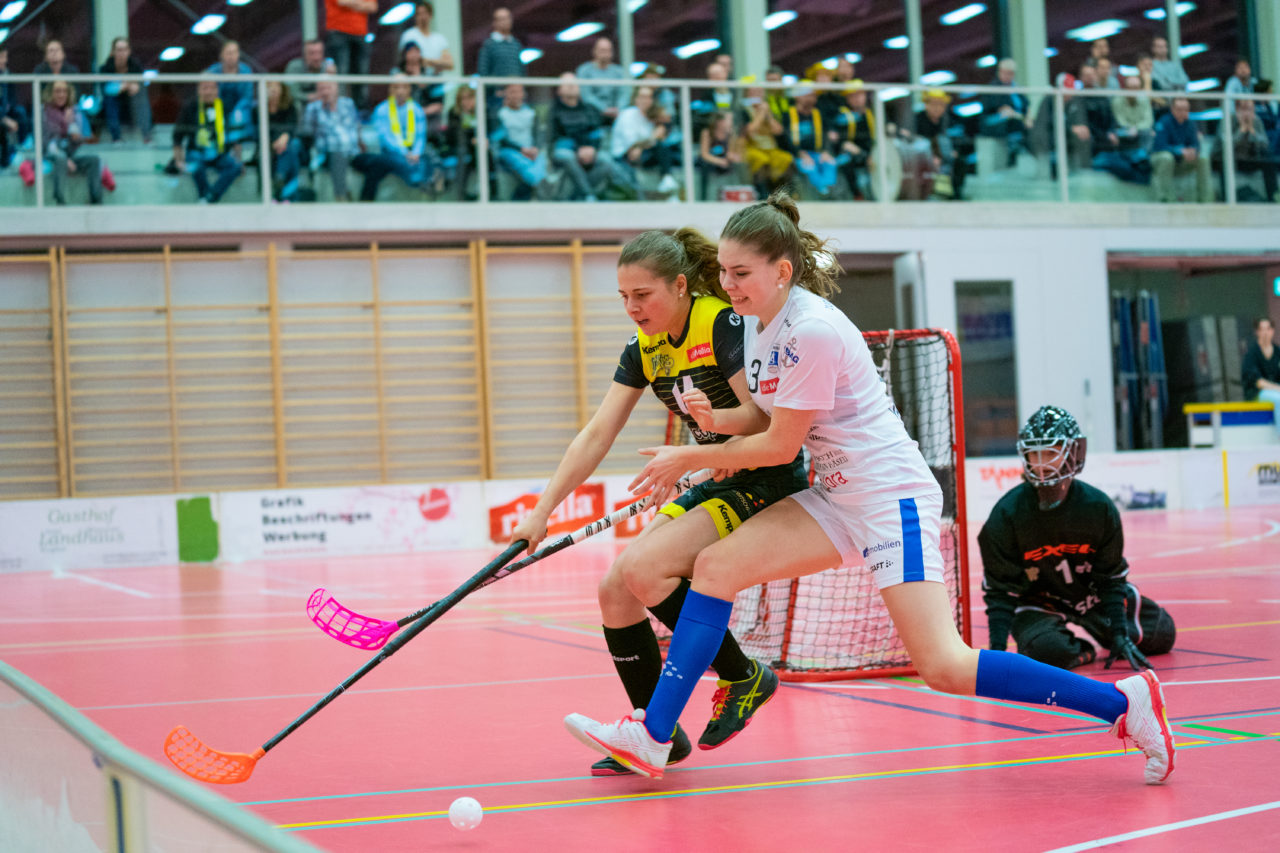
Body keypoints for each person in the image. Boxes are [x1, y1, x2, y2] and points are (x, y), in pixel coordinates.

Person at [564, 192, 1176, 788]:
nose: (728, 285)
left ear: (783, 270)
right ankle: (653, 732)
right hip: (835, 495)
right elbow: (765, 420)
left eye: (741, 273)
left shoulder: (812, 331)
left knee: (944, 665)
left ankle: (1121, 703)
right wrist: (717, 421)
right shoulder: (756, 322)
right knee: (714, 566)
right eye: (723, 271)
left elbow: (779, 448)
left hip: (889, 500)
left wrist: (691, 456)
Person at [510, 227, 807, 776]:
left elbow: (763, 421)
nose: (632, 307)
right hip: (718, 475)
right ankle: (656, 736)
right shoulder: (643, 349)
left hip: (766, 477)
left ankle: (742, 677)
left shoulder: (722, 323)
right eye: (623, 297)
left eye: (642, 295)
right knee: (614, 591)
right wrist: (542, 509)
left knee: (647, 571)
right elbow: (598, 432)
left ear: (678, 286)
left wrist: (700, 445)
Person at [980, 406, 1177, 671]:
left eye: (1050, 452)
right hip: (1037, 603)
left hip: (1091, 597)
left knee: (1161, 634)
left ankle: (1106, 634)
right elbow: (1000, 591)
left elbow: (1110, 577)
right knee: (1049, 653)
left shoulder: (1098, 507)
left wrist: (1120, 633)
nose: (1042, 463)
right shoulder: (1005, 514)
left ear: (1074, 453)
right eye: (1034, 454)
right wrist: (998, 653)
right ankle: (1084, 650)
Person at [549, 73, 627, 201]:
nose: (571, 87)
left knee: (606, 159)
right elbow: (556, 137)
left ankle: (580, 194)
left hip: (589, 150)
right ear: (559, 90)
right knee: (567, 156)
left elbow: (596, 131)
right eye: (567, 84)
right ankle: (588, 195)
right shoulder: (554, 111)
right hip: (567, 151)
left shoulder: (589, 109)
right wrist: (578, 149)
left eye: (574, 84)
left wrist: (592, 148)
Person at [363, 74, 441, 200]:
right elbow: (386, 138)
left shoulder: (416, 109)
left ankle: (424, 180)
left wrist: (416, 153)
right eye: (396, 87)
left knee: (428, 155)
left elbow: (420, 135)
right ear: (390, 89)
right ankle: (421, 180)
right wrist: (404, 153)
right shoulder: (382, 110)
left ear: (409, 89)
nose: (400, 91)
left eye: (404, 87)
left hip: (413, 152)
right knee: (398, 161)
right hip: (391, 152)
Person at [173, 79, 243, 204]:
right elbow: (177, 136)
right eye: (205, 88)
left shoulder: (225, 107)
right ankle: (208, 196)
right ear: (198, 90)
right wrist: (178, 160)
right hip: (196, 151)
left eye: (212, 88)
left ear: (217, 90)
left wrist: (239, 158)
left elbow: (234, 136)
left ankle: (209, 197)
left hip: (220, 153)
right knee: (195, 166)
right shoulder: (190, 107)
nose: (208, 92)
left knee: (235, 167)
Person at [42, 80, 103, 205]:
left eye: (64, 91)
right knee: (61, 158)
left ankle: (96, 200)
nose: (61, 95)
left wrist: (77, 136)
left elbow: (80, 139)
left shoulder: (75, 111)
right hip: (51, 155)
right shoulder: (45, 112)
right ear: (51, 93)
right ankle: (59, 200)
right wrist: (66, 122)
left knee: (94, 160)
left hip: (70, 154)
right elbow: (47, 142)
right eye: (58, 91)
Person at [301, 79, 363, 202]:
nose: (325, 92)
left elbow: (356, 127)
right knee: (337, 152)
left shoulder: (348, 104)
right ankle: (341, 196)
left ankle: (366, 202)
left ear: (336, 89)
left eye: (328, 88)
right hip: (326, 152)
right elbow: (307, 133)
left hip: (352, 151)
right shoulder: (313, 108)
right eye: (321, 89)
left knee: (377, 163)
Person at [779, 83, 837, 198]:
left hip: (818, 153)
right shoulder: (788, 115)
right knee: (808, 166)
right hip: (798, 154)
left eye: (813, 96)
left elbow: (827, 134)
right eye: (808, 95)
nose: (812, 99)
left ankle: (828, 193)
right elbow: (785, 139)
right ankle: (820, 193)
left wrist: (825, 151)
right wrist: (799, 153)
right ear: (798, 97)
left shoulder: (818, 114)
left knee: (830, 163)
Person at [490, 83, 546, 201]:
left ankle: (520, 197)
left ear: (523, 94)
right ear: (505, 94)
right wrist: (521, 150)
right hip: (510, 152)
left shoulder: (531, 112)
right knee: (532, 174)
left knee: (542, 158)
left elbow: (538, 134)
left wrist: (535, 148)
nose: (516, 95)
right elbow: (500, 139)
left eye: (518, 91)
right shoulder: (499, 114)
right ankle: (540, 191)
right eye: (512, 92)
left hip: (532, 151)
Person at [738, 77, 792, 197]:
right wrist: (761, 114)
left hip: (770, 147)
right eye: (754, 92)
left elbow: (778, 130)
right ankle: (763, 193)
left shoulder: (768, 109)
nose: (758, 94)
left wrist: (768, 115)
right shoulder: (743, 110)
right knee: (761, 160)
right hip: (751, 147)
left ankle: (782, 193)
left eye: (760, 92)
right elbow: (750, 131)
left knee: (785, 158)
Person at [1151, 97, 1212, 202]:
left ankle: (1205, 199)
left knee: (1203, 159)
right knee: (1166, 157)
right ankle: (1166, 199)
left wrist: (1193, 151)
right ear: (1172, 109)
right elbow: (1159, 146)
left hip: (1182, 161)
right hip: (1161, 160)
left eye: (1185, 109)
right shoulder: (1164, 121)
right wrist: (1179, 151)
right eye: (1179, 109)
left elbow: (1196, 145)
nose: (1182, 112)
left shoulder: (1190, 124)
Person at [98, 37, 152, 144]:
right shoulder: (105, 69)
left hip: (132, 108)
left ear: (129, 51)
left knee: (140, 95)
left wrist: (132, 87)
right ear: (113, 52)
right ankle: (116, 138)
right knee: (110, 98)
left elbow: (139, 87)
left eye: (125, 49)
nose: (122, 53)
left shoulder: (136, 67)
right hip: (112, 110)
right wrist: (122, 87)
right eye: (119, 50)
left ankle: (146, 135)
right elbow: (105, 90)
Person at [324, 0, 377, 110]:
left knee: (362, 77)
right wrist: (361, 4)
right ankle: (340, 110)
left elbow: (372, 7)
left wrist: (352, 3)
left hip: (360, 32)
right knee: (341, 76)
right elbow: (342, 2)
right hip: (338, 31)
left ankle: (361, 112)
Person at [978, 58, 1031, 165]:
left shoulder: (1015, 87)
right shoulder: (994, 87)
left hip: (1017, 118)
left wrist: (1028, 118)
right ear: (1000, 71)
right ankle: (1013, 153)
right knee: (1009, 118)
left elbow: (1026, 104)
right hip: (994, 122)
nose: (1008, 76)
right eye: (1006, 73)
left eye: (1011, 73)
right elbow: (998, 108)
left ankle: (1023, 150)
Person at [831, 80, 875, 199]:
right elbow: (837, 138)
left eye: (860, 94)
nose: (857, 98)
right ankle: (857, 195)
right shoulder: (841, 115)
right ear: (847, 98)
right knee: (844, 160)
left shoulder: (874, 113)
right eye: (852, 95)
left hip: (873, 151)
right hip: (852, 152)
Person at [477, 7, 524, 108]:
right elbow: (483, 72)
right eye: (501, 19)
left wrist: (519, 91)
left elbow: (521, 70)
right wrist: (496, 90)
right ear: (495, 23)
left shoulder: (516, 44)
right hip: (496, 100)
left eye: (507, 18)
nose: (505, 22)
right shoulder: (488, 45)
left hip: (516, 99)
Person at [204, 42, 255, 134]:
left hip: (239, 107)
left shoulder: (246, 71)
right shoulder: (212, 72)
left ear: (238, 55)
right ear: (222, 55)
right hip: (217, 106)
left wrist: (237, 110)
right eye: (228, 53)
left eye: (234, 52)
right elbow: (206, 94)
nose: (231, 56)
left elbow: (247, 96)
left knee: (243, 113)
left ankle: (239, 140)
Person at [264, 80, 302, 203]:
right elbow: (257, 132)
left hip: (287, 145)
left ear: (282, 89)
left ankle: (279, 184)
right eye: (269, 86)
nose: (273, 89)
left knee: (292, 147)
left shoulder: (290, 108)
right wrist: (272, 142)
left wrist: (285, 137)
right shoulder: (259, 109)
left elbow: (294, 129)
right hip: (268, 146)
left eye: (276, 85)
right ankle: (287, 195)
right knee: (290, 152)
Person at [576, 37, 629, 123]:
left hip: (617, 114)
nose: (605, 54)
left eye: (608, 50)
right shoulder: (584, 70)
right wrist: (604, 109)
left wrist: (618, 108)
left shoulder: (619, 72)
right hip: (593, 113)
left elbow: (624, 94)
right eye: (602, 50)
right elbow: (586, 95)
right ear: (594, 51)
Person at [1242, 318, 1280, 432]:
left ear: (1272, 331)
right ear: (1257, 332)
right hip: (1257, 394)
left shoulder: (1278, 352)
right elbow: (1258, 382)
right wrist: (1278, 388)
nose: (1265, 333)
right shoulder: (1252, 354)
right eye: (1262, 329)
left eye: (1268, 329)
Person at [697, 110, 745, 199]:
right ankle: (704, 197)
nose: (731, 123)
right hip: (710, 161)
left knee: (738, 165)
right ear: (719, 122)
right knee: (705, 166)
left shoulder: (730, 134)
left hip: (724, 161)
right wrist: (719, 161)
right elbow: (704, 154)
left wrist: (733, 156)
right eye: (729, 120)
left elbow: (731, 152)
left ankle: (737, 193)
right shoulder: (707, 133)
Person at [399, 2, 453, 76]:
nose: (423, 17)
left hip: (436, 82)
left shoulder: (440, 39)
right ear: (415, 16)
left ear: (430, 15)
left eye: (425, 13)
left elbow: (450, 64)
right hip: (415, 81)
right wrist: (438, 63)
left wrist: (426, 61)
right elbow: (407, 62)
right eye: (419, 14)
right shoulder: (409, 35)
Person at [0, 47, 28, 170]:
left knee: (21, 113)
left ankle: (23, 145)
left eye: (5, 57)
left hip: (7, 111)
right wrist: (4, 119)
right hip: (1, 116)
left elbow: (12, 98)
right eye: (1, 57)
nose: (4, 60)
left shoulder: (7, 74)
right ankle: (6, 160)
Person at [283, 38, 334, 106]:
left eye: (319, 53)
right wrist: (310, 97)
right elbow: (291, 93)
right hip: (298, 108)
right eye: (312, 53)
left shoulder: (327, 68)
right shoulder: (294, 67)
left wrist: (332, 77)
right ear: (304, 55)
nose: (317, 58)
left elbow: (335, 95)